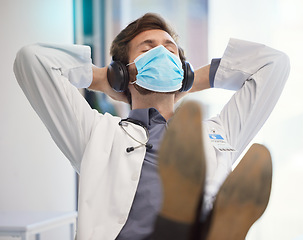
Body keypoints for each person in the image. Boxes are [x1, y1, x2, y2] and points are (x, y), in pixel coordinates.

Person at [13, 13, 290, 240]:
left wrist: (192, 79)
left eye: (170, 50)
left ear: (182, 70)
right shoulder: (96, 133)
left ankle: (200, 226)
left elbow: (274, 65)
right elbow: (32, 60)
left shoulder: (215, 134)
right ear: (123, 71)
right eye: (148, 49)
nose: (161, 54)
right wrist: (104, 78)